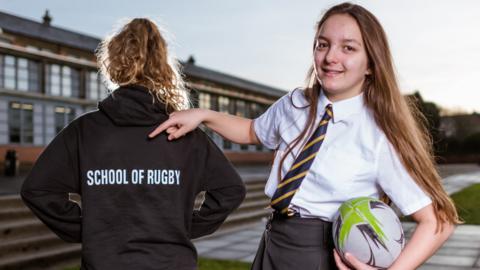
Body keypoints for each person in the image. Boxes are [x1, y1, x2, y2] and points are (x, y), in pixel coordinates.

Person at [149, 3, 460, 270]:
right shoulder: (296, 103)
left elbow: (438, 221)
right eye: (322, 44)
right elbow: (250, 130)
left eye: (348, 48)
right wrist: (203, 115)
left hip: (325, 252)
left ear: (371, 64)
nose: (329, 57)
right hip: (274, 241)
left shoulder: (380, 134)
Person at [21, 18, 246, 270]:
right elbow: (231, 190)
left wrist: (88, 229)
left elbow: (38, 190)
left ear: (113, 63)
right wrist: (182, 225)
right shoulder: (185, 136)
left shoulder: (83, 131)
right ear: (163, 65)